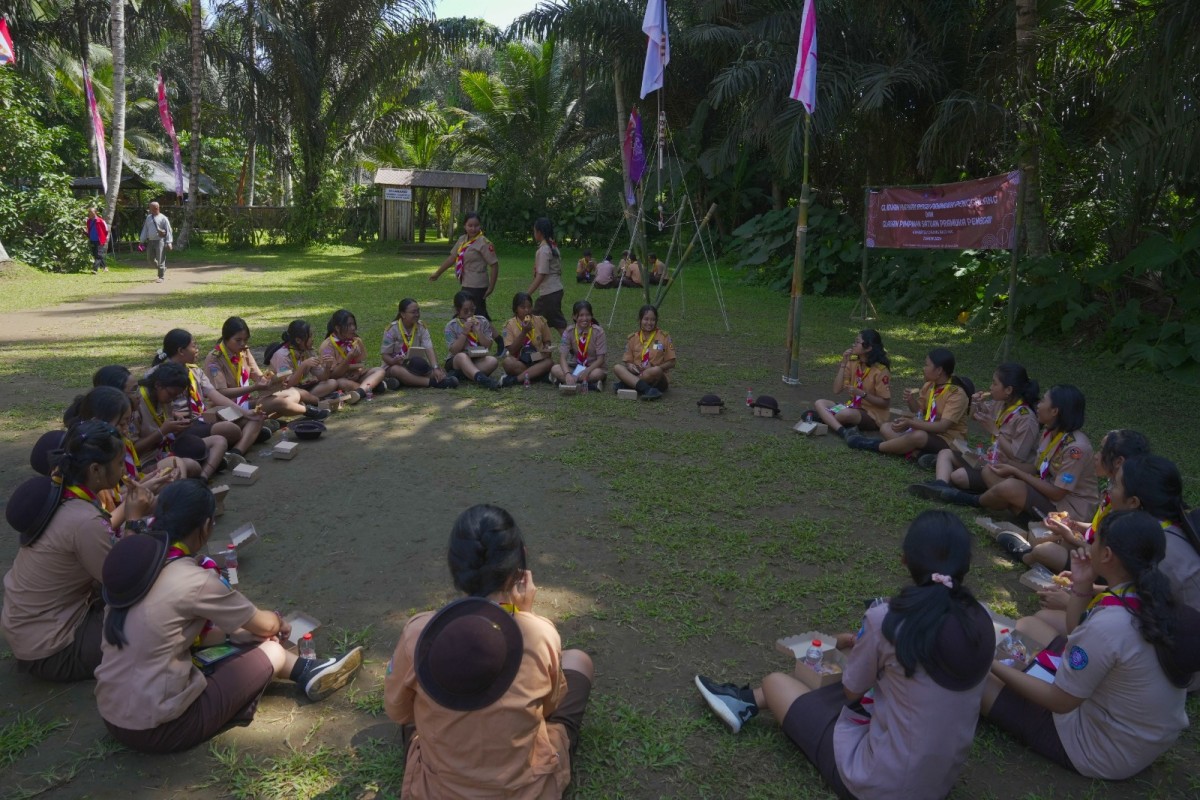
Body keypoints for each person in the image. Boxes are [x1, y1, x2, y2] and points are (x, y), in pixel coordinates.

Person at [694, 510, 994, 800]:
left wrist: (852, 647)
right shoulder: (982, 621)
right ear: (964, 565)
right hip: (935, 786)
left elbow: (850, 690)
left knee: (776, 682)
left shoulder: (887, 619)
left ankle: (748, 701)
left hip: (878, 784)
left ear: (905, 560)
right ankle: (744, 702)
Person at [94, 480, 364, 753]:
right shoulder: (194, 579)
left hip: (112, 714)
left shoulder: (136, 564)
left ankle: (308, 671)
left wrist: (232, 634)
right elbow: (266, 624)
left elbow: (175, 633)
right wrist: (278, 622)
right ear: (206, 527)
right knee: (272, 650)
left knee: (235, 639)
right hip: (162, 727)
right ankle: (304, 671)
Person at [384, 504, 594, 799]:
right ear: (517, 564)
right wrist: (522, 617)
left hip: (438, 791)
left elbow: (399, 712)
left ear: (455, 565)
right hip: (526, 791)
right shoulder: (540, 633)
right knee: (579, 661)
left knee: (415, 711)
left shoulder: (419, 633)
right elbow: (548, 708)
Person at [981, 511, 1191, 780]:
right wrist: (1081, 585)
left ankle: (995, 665)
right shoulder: (1150, 594)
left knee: (979, 676)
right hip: (1132, 730)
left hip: (1096, 746)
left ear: (1106, 555)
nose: (1087, 544)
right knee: (1030, 627)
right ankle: (1008, 664)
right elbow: (1079, 635)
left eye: (1094, 540)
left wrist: (989, 660)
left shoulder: (1110, 626)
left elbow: (1059, 701)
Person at [1, 421, 155, 682]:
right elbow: (126, 582)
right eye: (119, 464)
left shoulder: (63, 496)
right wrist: (134, 520)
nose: (122, 470)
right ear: (96, 470)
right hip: (55, 650)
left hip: (32, 630)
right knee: (160, 616)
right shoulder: (83, 521)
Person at [1022, 454, 1200, 643]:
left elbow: (1135, 622)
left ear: (1133, 502)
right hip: (1153, 631)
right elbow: (1137, 591)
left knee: (1034, 623)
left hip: (1168, 650)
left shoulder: (1159, 551)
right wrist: (1087, 589)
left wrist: (1076, 599)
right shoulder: (1158, 532)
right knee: (1045, 617)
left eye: (1115, 485)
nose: (1109, 492)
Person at [929, 386, 1099, 532]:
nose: (1038, 406)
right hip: (1046, 494)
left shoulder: (1075, 449)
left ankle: (972, 500)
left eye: (1043, 402)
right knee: (991, 471)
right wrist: (1007, 464)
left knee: (1011, 485)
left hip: (1067, 509)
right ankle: (1022, 513)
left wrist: (1015, 470)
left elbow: (1057, 492)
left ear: (1055, 411)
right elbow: (1037, 468)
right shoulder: (1050, 433)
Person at [1020, 429, 1150, 572]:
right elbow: (1099, 527)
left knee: (1043, 550)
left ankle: (1024, 556)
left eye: (1102, 450)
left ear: (1119, 462)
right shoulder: (1114, 485)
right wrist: (1072, 524)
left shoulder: (1125, 499)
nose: (1096, 456)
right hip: (1090, 546)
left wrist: (1071, 538)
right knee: (1039, 535)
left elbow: (1108, 554)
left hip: (1103, 567)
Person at [909, 362, 1040, 502]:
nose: (991, 387)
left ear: (1008, 390)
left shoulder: (1026, 419)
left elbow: (1017, 456)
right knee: (945, 453)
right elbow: (974, 416)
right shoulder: (1002, 404)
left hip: (1006, 471)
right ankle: (940, 486)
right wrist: (976, 404)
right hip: (990, 460)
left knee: (958, 476)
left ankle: (954, 484)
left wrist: (996, 432)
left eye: (995, 384)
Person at [152, 328, 265, 461]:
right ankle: (241, 440)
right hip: (181, 428)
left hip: (203, 418)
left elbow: (214, 395)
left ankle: (235, 453)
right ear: (181, 351)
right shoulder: (159, 375)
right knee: (230, 429)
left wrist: (245, 413)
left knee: (255, 418)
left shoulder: (195, 371)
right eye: (194, 346)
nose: (197, 350)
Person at [846, 347, 972, 464]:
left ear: (939, 370)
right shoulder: (929, 386)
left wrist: (911, 423)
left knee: (918, 436)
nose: (924, 368)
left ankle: (872, 445)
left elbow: (942, 427)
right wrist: (911, 400)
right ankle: (918, 454)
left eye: (927, 365)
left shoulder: (956, 394)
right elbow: (919, 412)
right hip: (927, 432)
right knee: (886, 427)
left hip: (947, 440)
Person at [202, 317, 329, 421]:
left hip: (245, 402)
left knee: (293, 393)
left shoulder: (243, 351)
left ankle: (269, 419)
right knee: (281, 402)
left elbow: (258, 377)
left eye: (245, 340)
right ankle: (308, 411)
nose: (243, 344)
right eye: (238, 340)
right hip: (225, 408)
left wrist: (273, 379)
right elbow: (221, 393)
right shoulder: (214, 359)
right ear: (225, 338)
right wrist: (254, 387)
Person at [135, 362, 230, 480]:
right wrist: (162, 431)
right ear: (158, 385)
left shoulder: (163, 397)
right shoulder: (137, 403)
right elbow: (132, 449)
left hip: (168, 448)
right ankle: (201, 468)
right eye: (171, 394)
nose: (172, 400)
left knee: (219, 440)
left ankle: (202, 479)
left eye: (176, 396)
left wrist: (177, 421)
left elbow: (164, 420)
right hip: (147, 460)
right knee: (192, 466)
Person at [811, 330, 892, 440]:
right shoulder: (853, 362)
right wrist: (843, 364)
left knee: (845, 414)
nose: (853, 345)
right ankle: (842, 431)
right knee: (820, 402)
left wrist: (862, 394)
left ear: (868, 348)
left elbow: (885, 403)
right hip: (852, 406)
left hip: (871, 414)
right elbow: (836, 390)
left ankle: (825, 418)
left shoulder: (880, 371)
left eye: (857, 342)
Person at [430, 212, 499, 321]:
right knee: (476, 313)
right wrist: (438, 273)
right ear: (464, 226)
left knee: (473, 313)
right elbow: (452, 258)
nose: (473, 228)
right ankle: (491, 336)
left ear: (480, 226)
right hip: (466, 282)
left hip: (478, 285)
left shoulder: (484, 242)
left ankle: (487, 335)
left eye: (476, 225)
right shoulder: (462, 239)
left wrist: (491, 287)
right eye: (470, 226)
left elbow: (494, 265)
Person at [382, 299, 458, 389]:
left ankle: (406, 381)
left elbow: (429, 348)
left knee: (440, 372)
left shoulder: (421, 327)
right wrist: (393, 361)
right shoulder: (392, 329)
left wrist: (435, 367)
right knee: (397, 370)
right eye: (413, 312)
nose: (417, 314)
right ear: (403, 314)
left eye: (418, 311)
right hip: (394, 366)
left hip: (415, 366)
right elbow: (385, 355)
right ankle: (433, 383)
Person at [444, 291, 510, 390]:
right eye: (465, 311)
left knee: (493, 361)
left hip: (477, 358)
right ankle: (482, 379)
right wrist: (464, 333)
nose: (470, 314)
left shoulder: (482, 321)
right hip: (456, 361)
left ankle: (463, 374)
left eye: (472, 310)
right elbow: (454, 350)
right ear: (457, 310)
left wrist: (478, 331)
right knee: (462, 356)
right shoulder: (451, 326)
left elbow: (488, 346)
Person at [319, 309, 388, 402]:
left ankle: (360, 392)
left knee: (379, 370)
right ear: (337, 328)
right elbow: (333, 376)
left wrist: (358, 372)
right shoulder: (327, 346)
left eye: (353, 324)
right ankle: (371, 387)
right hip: (341, 379)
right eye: (349, 325)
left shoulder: (356, 340)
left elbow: (360, 364)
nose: (353, 328)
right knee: (340, 383)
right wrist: (349, 357)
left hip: (356, 378)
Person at [264, 320, 341, 400]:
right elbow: (288, 385)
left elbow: (322, 378)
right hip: (283, 391)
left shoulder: (308, 350)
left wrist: (327, 367)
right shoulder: (282, 356)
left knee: (332, 383)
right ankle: (314, 399)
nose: (312, 339)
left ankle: (309, 399)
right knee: (295, 392)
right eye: (310, 336)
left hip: (300, 388)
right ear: (298, 340)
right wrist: (303, 365)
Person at [612, 304, 675, 401]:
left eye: (653, 320)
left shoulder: (664, 337)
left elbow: (672, 362)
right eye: (646, 319)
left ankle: (628, 384)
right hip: (638, 374)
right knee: (617, 368)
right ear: (640, 320)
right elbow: (628, 361)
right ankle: (648, 390)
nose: (649, 323)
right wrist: (630, 366)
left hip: (657, 378)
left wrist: (655, 367)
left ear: (656, 321)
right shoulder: (633, 338)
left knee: (655, 371)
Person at [501, 292, 557, 385]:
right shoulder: (509, 325)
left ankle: (516, 380)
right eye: (523, 307)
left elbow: (547, 341)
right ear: (516, 309)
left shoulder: (540, 320)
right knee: (507, 363)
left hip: (537, 358)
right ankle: (539, 376)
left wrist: (547, 347)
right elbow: (511, 350)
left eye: (530, 307)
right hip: (520, 360)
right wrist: (524, 332)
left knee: (549, 362)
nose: (527, 310)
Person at [551, 300, 607, 391]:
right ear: (574, 316)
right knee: (555, 368)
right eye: (581, 315)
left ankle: (566, 382)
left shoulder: (598, 332)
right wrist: (567, 373)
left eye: (588, 315)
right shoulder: (569, 332)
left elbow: (601, 359)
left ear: (592, 316)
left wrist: (587, 371)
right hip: (575, 367)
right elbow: (562, 357)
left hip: (592, 367)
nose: (585, 318)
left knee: (598, 373)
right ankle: (589, 385)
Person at [527, 217, 566, 333]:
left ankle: (574, 347)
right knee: (554, 322)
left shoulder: (544, 250)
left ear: (539, 232)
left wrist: (527, 294)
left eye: (534, 231)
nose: (534, 234)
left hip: (549, 293)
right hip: (554, 290)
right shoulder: (553, 247)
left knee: (532, 319)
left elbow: (541, 275)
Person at [139, 201, 173, 283]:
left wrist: (169, 242)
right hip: (150, 241)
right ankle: (162, 269)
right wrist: (141, 240)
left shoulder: (163, 218)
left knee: (160, 258)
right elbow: (145, 229)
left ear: (156, 208)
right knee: (150, 259)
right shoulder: (148, 217)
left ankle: (161, 277)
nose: (149, 209)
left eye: (150, 207)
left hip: (160, 241)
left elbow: (168, 230)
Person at [86, 207, 109, 274]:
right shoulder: (89, 221)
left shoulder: (100, 221)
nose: (90, 214)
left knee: (98, 255)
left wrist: (104, 237)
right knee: (96, 255)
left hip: (100, 240)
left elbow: (106, 230)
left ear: (95, 213)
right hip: (92, 240)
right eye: (89, 212)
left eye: (91, 212)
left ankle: (94, 269)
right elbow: (89, 229)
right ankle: (105, 267)